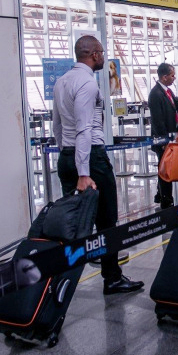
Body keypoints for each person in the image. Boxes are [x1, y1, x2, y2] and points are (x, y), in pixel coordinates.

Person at [53, 35, 144, 295]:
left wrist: (66, 155)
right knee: (107, 220)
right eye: (102, 52)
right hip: (90, 159)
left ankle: (61, 281)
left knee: (72, 224)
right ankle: (112, 278)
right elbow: (83, 129)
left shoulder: (62, 82)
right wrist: (83, 171)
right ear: (93, 54)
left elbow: (56, 125)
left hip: (68, 156)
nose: (104, 57)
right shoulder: (87, 84)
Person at [148, 62, 178, 209]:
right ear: (164, 76)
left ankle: (159, 194)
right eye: (172, 75)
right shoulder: (155, 94)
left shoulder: (167, 91)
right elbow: (157, 120)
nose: (174, 78)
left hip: (170, 137)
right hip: (162, 140)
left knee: (164, 167)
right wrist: (163, 141)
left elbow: (177, 103)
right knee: (166, 170)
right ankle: (166, 200)